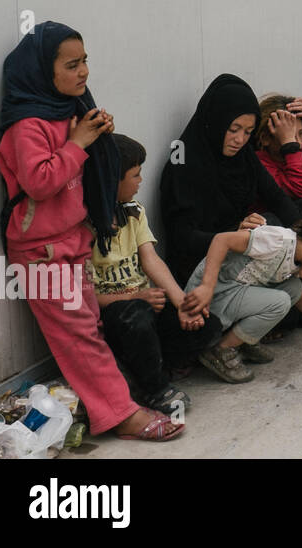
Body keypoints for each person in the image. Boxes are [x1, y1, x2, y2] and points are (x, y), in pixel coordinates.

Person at [0, 21, 182, 441]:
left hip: (71, 240)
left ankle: (117, 403)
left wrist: (96, 136)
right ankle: (122, 415)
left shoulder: (67, 111)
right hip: (41, 248)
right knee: (81, 337)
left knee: (87, 330)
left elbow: (86, 170)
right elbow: (40, 183)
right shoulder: (27, 125)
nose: (83, 73)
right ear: (43, 72)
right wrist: (79, 142)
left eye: (85, 62)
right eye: (72, 64)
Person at [93, 134, 222, 417]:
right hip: (114, 317)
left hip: (146, 306)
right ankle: (155, 389)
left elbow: (152, 261)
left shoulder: (133, 212)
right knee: (135, 315)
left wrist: (183, 304)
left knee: (208, 324)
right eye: (135, 175)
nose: (140, 181)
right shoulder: (83, 225)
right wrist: (135, 296)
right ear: (111, 179)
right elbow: (82, 295)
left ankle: (146, 370)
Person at [160, 74, 302, 288]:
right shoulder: (184, 164)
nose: (240, 140)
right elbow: (183, 238)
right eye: (233, 129)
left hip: (236, 252)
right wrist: (234, 234)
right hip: (199, 268)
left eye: (248, 132)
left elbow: (277, 198)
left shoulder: (243, 156)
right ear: (215, 122)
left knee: (300, 214)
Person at [183, 216, 302, 382]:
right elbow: (221, 240)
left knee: (293, 288)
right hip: (213, 297)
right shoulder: (278, 241)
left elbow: (297, 293)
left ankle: (243, 341)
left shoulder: (298, 257)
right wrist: (206, 286)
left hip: (234, 291)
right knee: (279, 302)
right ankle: (220, 350)